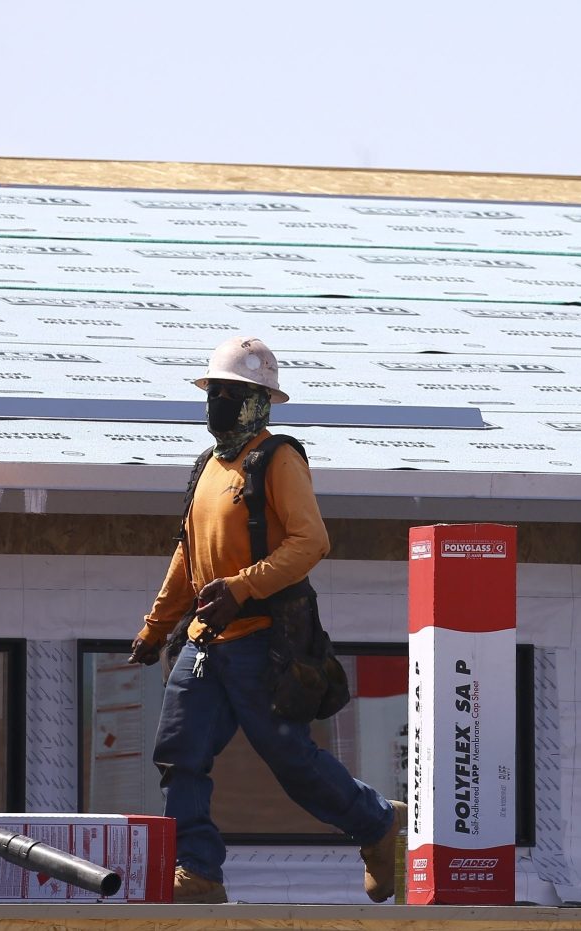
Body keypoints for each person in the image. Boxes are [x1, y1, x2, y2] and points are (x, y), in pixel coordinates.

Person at [128, 336, 404, 905]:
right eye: (214, 392)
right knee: (180, 755)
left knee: (289, 759)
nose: (219, 403)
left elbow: (312, 542)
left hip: (260, 641)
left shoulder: (277, 459)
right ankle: (197, 871)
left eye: (231, 393)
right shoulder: (206, 468)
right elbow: (188, 556)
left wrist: (241, 587)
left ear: (260, 402)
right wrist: (156, 629)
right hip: (206, 643)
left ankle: (376, 824)